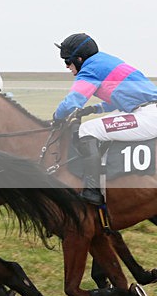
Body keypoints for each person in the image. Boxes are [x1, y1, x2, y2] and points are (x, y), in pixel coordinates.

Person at [53, 32, 157, 204]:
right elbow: (121, 99)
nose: (66, 66)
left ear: (79, 59)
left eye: (67, 61)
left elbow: (72, 102)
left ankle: (92, 190)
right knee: (97, 126)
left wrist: (57, 117)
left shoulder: (89, 70)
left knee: (87, 129)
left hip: (148, 116)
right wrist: (93, 109)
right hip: (144, 110)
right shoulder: (105, 62)